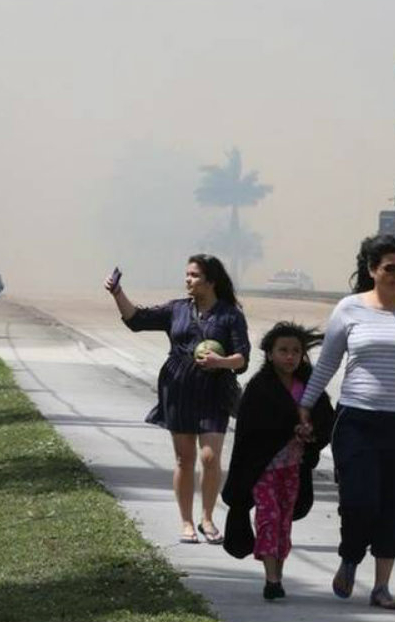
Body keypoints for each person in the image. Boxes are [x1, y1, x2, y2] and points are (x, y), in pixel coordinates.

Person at [297, 234, 395, 610]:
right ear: (372, 270)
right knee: (359, 499)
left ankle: (381, 587)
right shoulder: (350, 309)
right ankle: (350, 556)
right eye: (390, 268)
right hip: (357, 421)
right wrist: (305, 404)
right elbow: (329, 362)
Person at [105, 254, 249, 545]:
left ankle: (207, 518)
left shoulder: (230, 315)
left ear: (211, 281)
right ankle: (186, 522)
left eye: (194, 275)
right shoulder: (177, 309)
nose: (188, 280)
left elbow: (242, 358)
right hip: (178, 388)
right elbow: (137, 319)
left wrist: (220, 362)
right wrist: (118, 293)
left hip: (214, 390)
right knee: (184, 459)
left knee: (210, 457)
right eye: (187, 274)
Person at [221, 322, 336, 601]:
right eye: (283, 350)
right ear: (269, 354)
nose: (290, 357)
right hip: (264, 469)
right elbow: (250, 430)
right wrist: (289, 428)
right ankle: (271, 580)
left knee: (284, 522)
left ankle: (277, 575)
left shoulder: (311, 387)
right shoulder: (259, 388)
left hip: (294, 469)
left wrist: (311, 434)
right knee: (268, 519)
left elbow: (326, 421)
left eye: (296, 351)